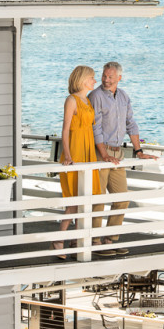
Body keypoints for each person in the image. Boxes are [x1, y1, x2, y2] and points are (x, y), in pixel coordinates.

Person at [88, 61, 157, 257]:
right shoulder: (96, 96)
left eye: (110, 77)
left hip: (117, 154)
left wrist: (139, 151)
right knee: (98, 199)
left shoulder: (124, 96)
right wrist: (104, 154)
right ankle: (95, 241)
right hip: (100, 153)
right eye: (104, 75)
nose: (105, 80)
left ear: (119, 78)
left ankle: (110, 239)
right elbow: (95, 128)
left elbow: (130, 124)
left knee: (122, 197)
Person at [53, 65, 103, 259]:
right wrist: (67, 155)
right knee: (74, 201)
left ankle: (74, 241)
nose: (94, 81)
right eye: (92, 78)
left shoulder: (87, 101)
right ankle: (58, 240)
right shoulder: (72, 100)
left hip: (88, 150)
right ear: (83, 80)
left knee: (84, 200)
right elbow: (65, 129)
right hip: (74, 150)